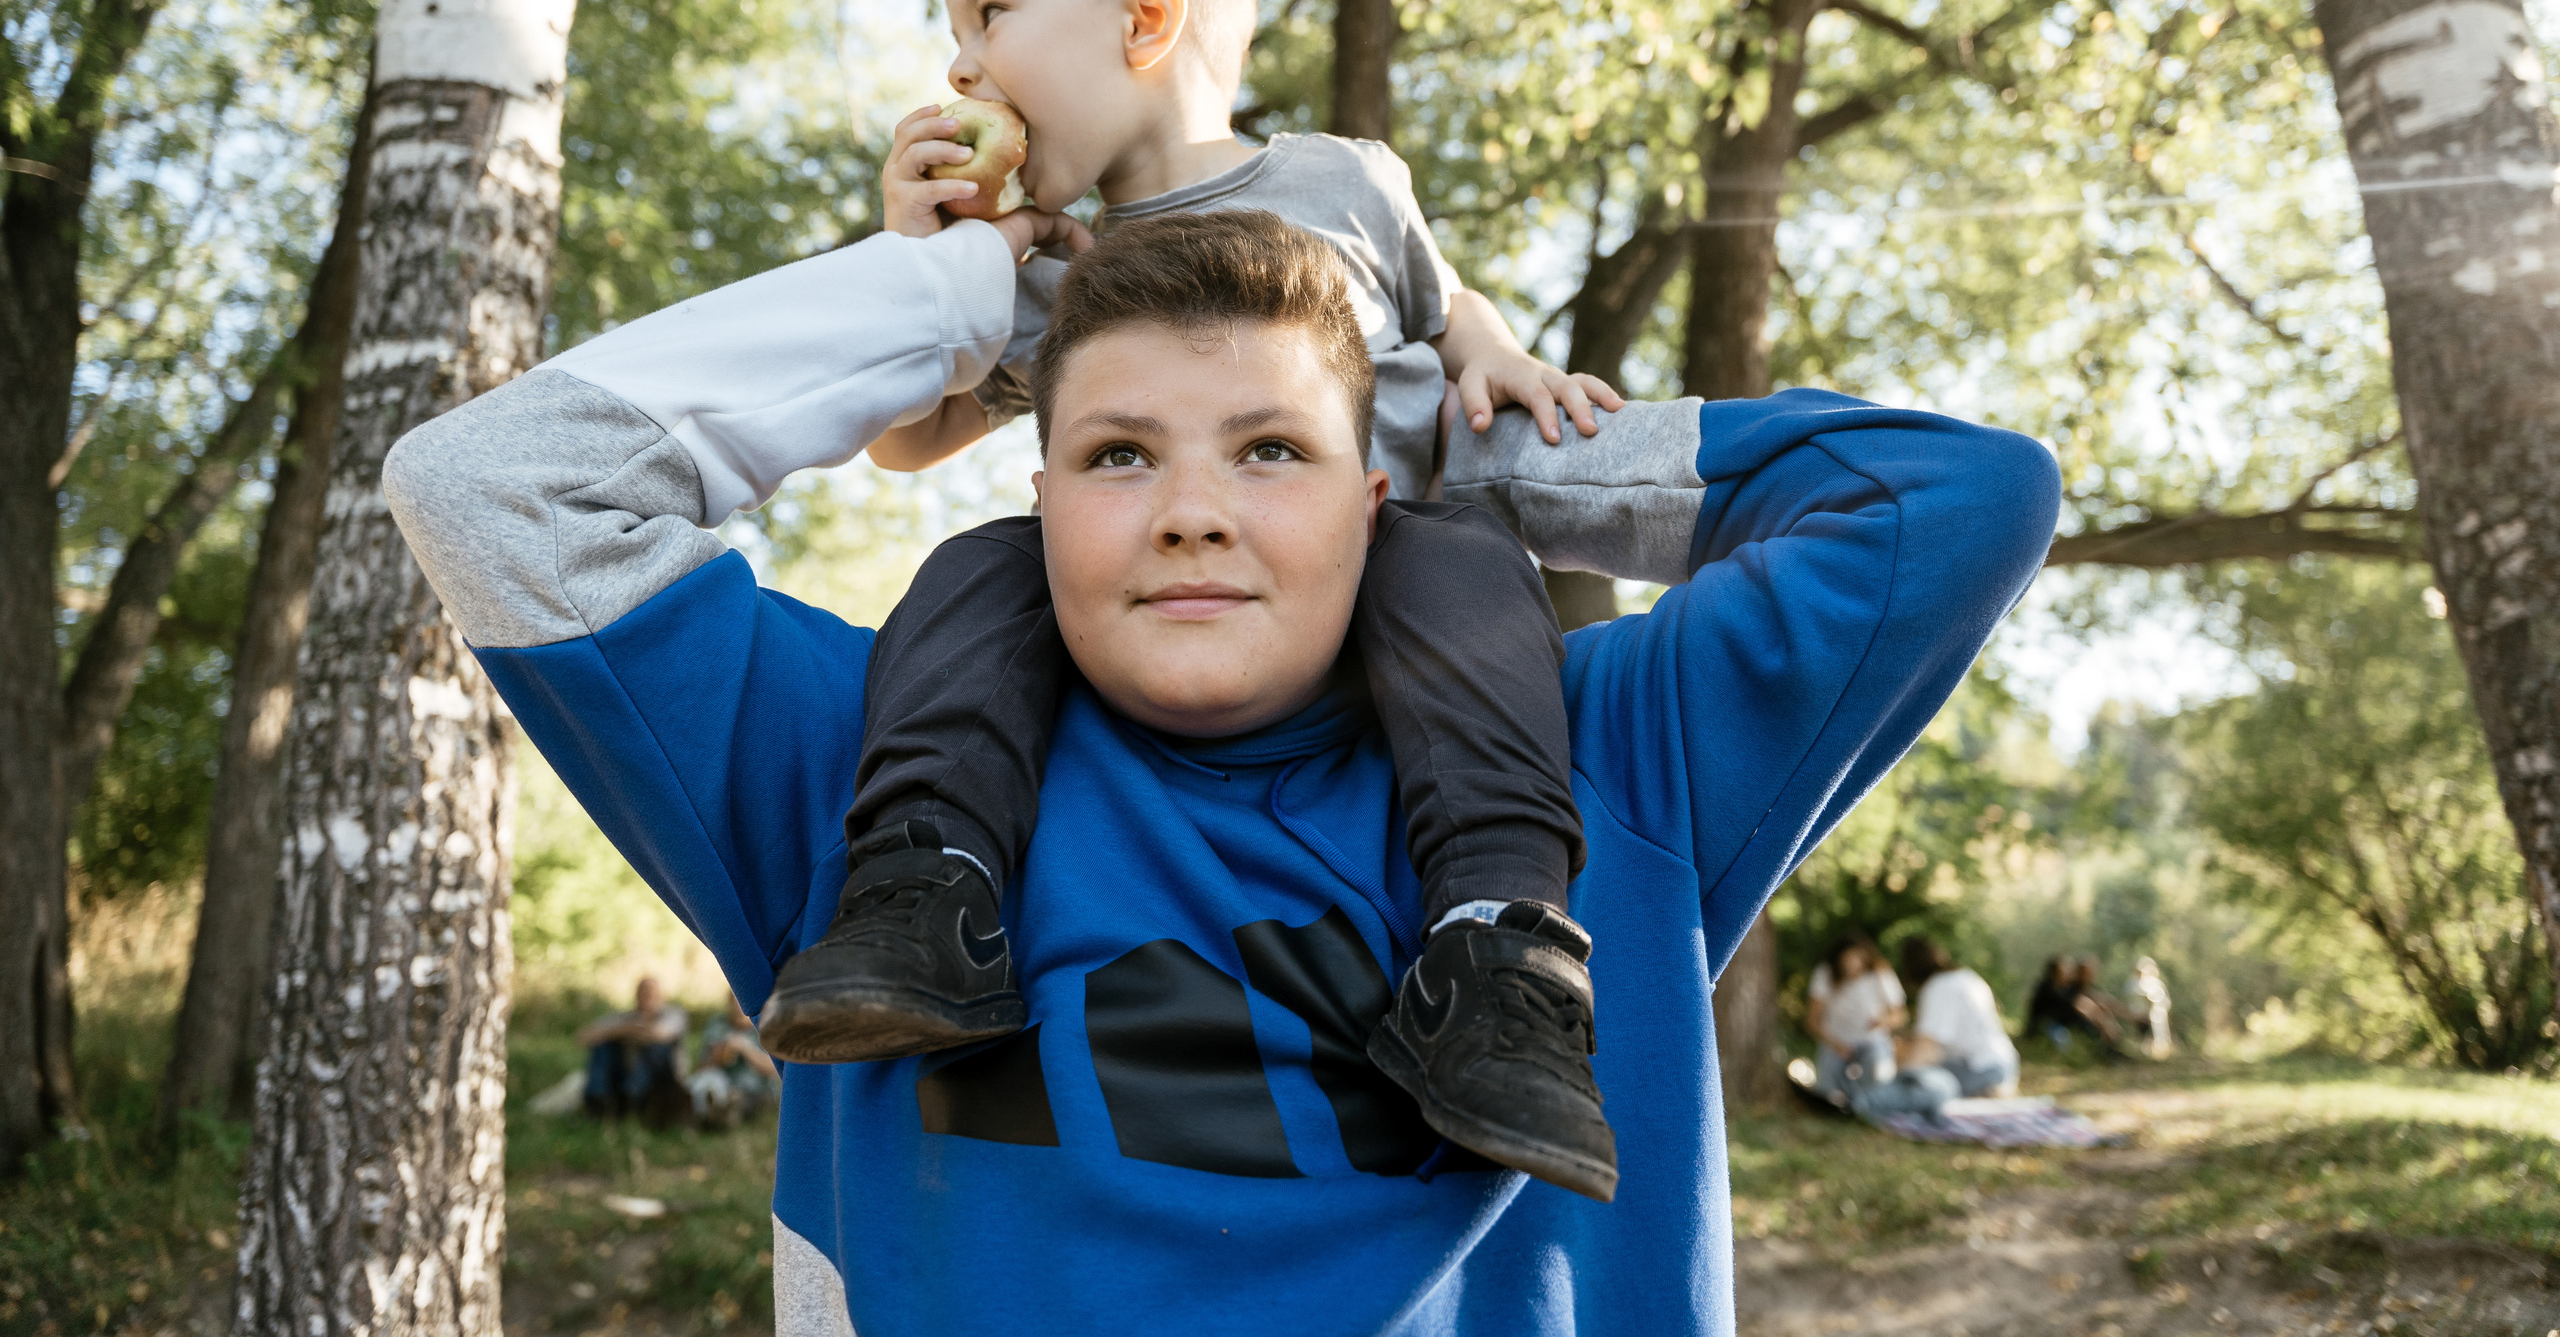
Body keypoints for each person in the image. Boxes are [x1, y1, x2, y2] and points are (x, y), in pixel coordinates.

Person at [381, 202, 2060, 1333]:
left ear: (1377, 502)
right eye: (1119, 454)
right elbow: (490, 487)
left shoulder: (1600, 754)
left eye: (1272, 450)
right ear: (1039, 501)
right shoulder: (867, 767)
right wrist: (951, 297)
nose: (1192, 511)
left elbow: (1959, 499)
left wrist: (1491, 443)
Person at [755, 0, 1630, 1199]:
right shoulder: (1049, 268)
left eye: (990, 14)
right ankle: (926, 887)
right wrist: (925, 265)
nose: (963, 68)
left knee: (1462, 557)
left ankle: (1498, 947)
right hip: (1179, 614)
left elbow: (1446, 306)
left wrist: (1502, 362)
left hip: (1383, 576)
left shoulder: (1342, 182)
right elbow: (906, 440)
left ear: (1145, 16)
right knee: (984, 562)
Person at [1897, 938, 2019, 1098]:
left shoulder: (1938, 987)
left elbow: (1925, 1048)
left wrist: (1898, 1076)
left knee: (1917, 1083)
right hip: (2004, 1064)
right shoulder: (1968, 977)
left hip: (1981, 1069)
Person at [1805, 934, 1905, 1104]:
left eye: (1856, 958)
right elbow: (1812, 1021)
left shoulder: (1880, 973)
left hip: (1872, 1042)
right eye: (1846, 960)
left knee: (1877, 1084)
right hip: (1835, 1042)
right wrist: (1835, 1044)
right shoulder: (1825, 973)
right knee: (1826, 1095)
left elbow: (1900, 1015)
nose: (1851, 965)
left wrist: (1884, 1021)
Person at [579, 977, 688, 1123]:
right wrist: (626, 1030)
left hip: (664, 1080)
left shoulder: (674, 1015)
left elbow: (659, 1033)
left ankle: (630, 1098)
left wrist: (624, 1032)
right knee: (603, 1047)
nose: (647, 996)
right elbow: (583, 1037)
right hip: (624, 1074)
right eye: (643, 992)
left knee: (654, 1048)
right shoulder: (625, 1017)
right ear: (636, 995)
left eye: (651, 993)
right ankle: (596, 1098)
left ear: (661, 996)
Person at [690, 995, 781, 1128]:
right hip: (722, 1084)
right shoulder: (717, 1024)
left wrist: (745, 1049)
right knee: (707, 1085)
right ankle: (714, 1112)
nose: (739, 1010)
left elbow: (775, 1070)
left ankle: (720, 1114)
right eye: (736, 1004)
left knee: (740, 1097)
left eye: (743, 1005)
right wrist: (721, 1054)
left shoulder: (766, 1025)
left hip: (757, 1089)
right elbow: (702, 1066)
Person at [2131, 955, 2173, 1057]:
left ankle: (2160, 1048)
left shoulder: (2157, 983)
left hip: (2157, 1013)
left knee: (2159, 1028)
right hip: (2140, 1014)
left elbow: (2163, 1000)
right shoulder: (2135, 983)